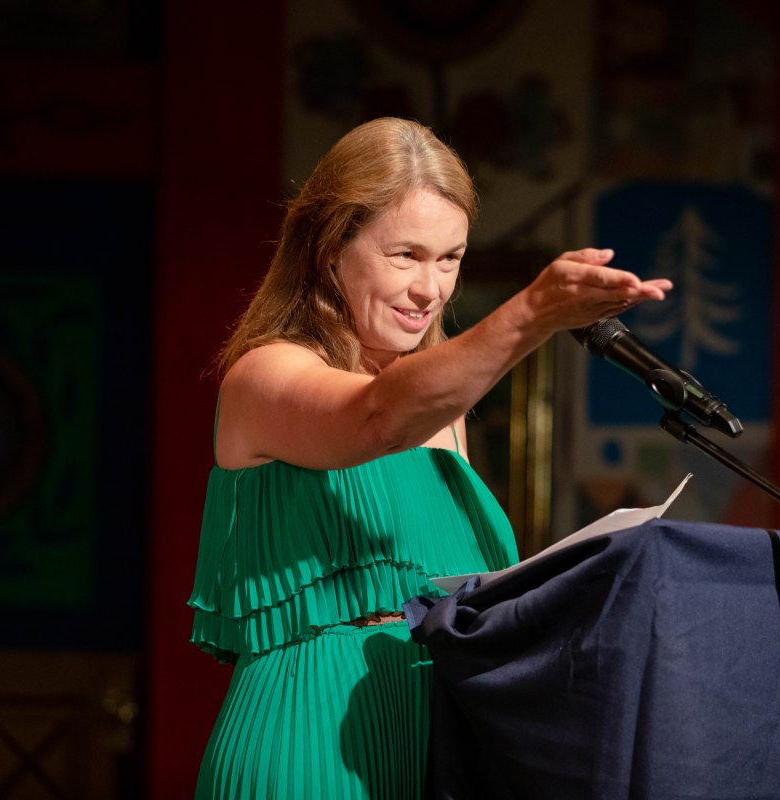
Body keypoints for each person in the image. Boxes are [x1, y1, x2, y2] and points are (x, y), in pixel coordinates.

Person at [187, 116, 671, 798]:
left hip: (438, 741)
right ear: (330, 250)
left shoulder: (443, 419)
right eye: (405, 255)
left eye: (450, 259)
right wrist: (529, 315)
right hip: (311, 736)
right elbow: (377, 416)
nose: (431, 288)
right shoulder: (266, 377)